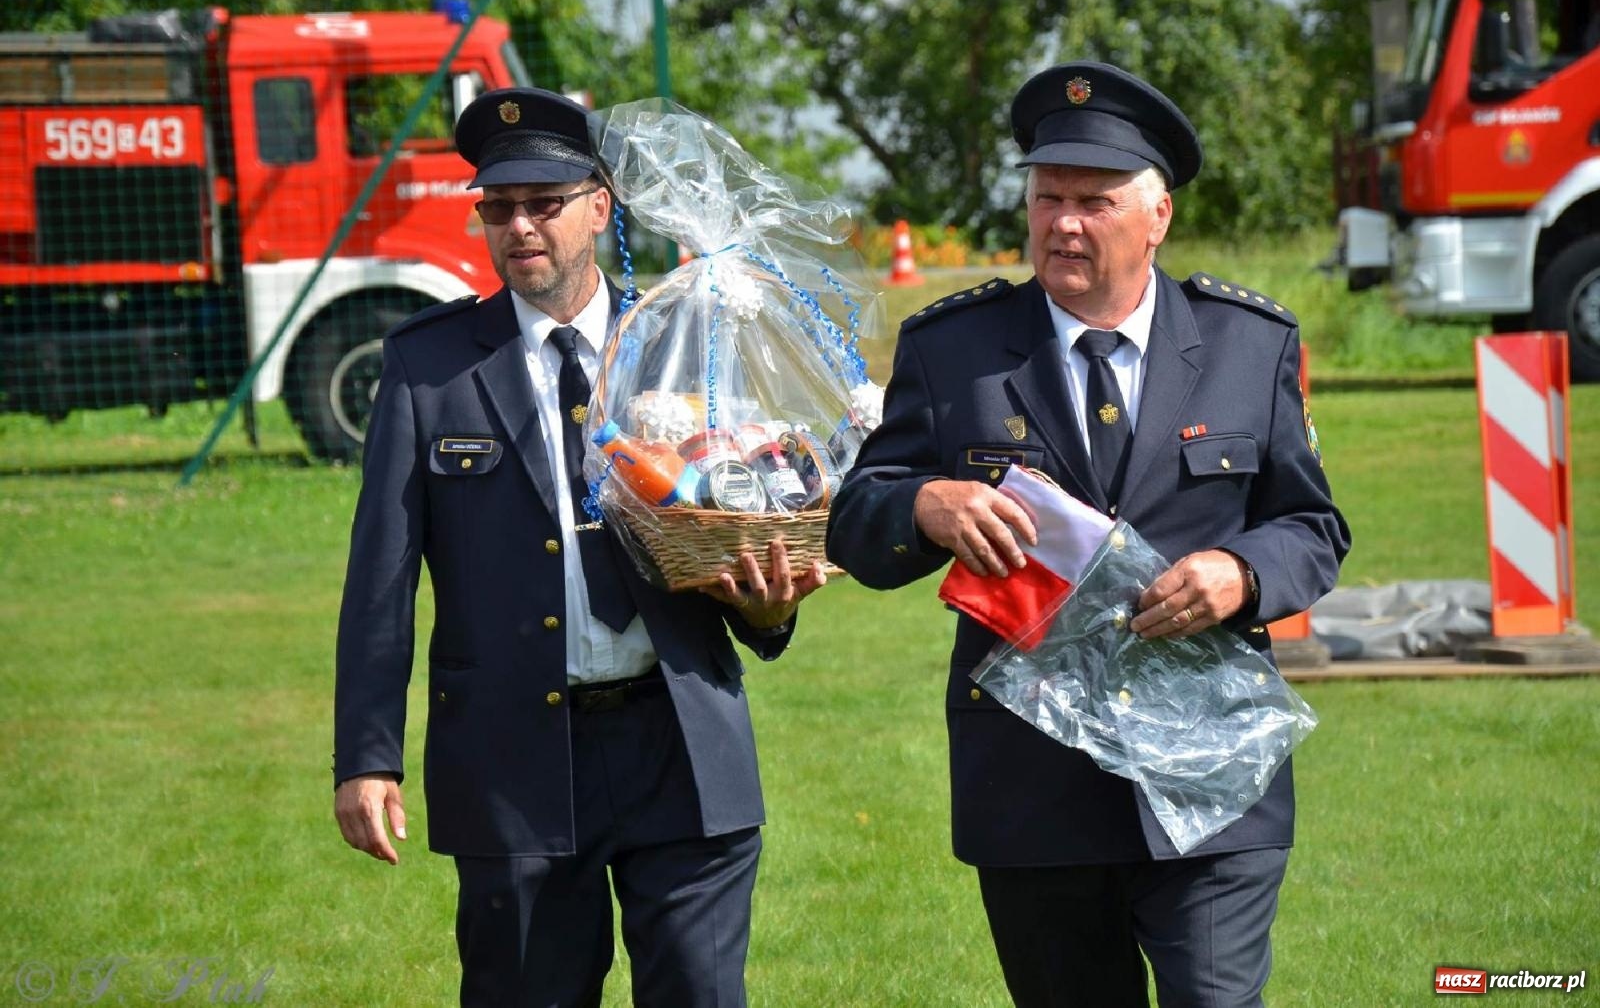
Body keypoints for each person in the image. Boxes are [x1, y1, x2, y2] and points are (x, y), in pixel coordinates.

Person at [826, 62, 1351, 1007]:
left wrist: (1239, 571)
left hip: (1210, 783)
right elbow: (856, 521)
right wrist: (924, 507)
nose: (1064, 222)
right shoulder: (954, 351)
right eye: (1047, 198)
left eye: (1095, 201)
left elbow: (1312, 526)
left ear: (1157, 216)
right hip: (1034, 792)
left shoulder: (1248, 344)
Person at [332, 86, 827, 1008]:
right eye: (498, 207)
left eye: (544, 204)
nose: (520, 227)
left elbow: (745, 510)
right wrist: (367, 755)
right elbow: (381, 577)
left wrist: (773, 608)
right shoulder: (427, 365)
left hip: (681, 742)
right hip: (512, 755)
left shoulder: (685, 343)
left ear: (600, 206)